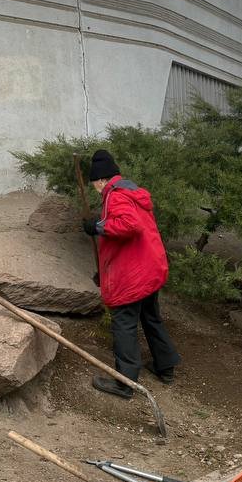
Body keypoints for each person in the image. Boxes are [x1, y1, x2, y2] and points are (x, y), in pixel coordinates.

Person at [81, 149, 180, 397]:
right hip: (149, 268)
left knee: (123, 323)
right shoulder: (132, 192)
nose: (94, 187)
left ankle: (125, 382)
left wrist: (98, 226)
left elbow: (129, 226)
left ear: (101, 179)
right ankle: (165, 367)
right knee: (150, 317)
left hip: (134, 275)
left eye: (94, 182)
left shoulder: (115, 196)